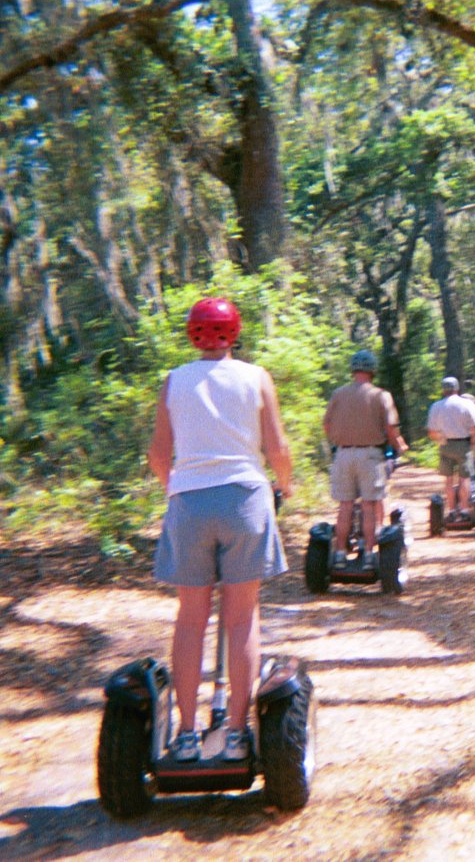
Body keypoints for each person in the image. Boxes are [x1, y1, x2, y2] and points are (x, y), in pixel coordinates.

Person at [147, 297, 292, 763]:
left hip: (188, 502)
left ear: (192, 334)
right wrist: (282, 487)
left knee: (191, 617)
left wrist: (179, 489)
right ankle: (234, 733)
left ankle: (186, 735)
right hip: (245, 499)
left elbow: (157, 455)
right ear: (236, 332)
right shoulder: (256, 377)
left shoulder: (175, 381)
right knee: (242, 616)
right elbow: (278, 448)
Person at [323, 349, 408, 565]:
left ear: (353, 369)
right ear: (373, 370)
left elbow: (326, 424)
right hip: (370, 454)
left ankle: (340, 554)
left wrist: (338, 439)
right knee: (369, 505)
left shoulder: (339, 394)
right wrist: (399, 446)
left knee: (345, 505)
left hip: (343, 454)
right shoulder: (381, 395)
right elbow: (390, 427)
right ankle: (369, 555)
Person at [426, 375, 475, 520]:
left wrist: (440, 440)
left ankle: (451, 511)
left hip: (445, 445)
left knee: (448, 479)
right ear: (457, 388)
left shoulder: (436, 406)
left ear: (443, 390)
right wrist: (474, 442)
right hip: (463, 444)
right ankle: (463, 510)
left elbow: (431, 432)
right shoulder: (466, 404)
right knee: (465, 479)